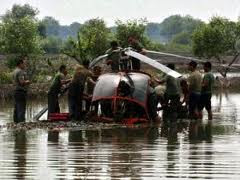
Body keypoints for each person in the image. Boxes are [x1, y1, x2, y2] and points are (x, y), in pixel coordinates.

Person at [12, 56, 31, 123]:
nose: (24, 65)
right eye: (23, 64)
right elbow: (22, 82)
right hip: (20, 92)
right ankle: (21, 124)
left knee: (16, 108)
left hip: (16, 92)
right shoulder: (20, 72)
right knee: (21, 109)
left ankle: (16, 123)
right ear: (20, 64)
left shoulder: (14, 71)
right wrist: (28, 81)